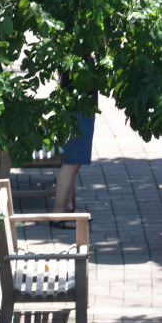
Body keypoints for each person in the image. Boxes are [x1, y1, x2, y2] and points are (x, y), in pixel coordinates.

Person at [51, 65, 97, 230]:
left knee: (73, 162)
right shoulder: (77, 48)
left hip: (80, 105)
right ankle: (58, 213)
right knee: (72, 162)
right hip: (78, 107)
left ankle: (68, 207)